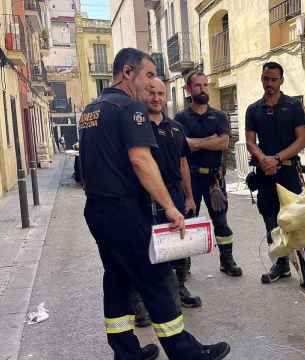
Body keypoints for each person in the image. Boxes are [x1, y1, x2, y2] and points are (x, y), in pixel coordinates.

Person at [79, 48, 230, 360]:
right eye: (147, 75)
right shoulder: (129, 108)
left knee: (117, 278)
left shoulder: (91, 110)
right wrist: (171, 208)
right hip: (123, 211)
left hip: (97, 210)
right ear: (127, 73)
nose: (149, 84)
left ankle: (126, 352)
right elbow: (141, 160)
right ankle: (186, 353)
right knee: (156, 279)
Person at [130, 78, 202, 329]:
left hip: (175, 194)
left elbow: (183, 164)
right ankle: (140, 304)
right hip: (146, 195)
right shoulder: (136, 125)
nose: (156, 98)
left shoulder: (176, 128)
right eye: (151, 92)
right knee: (145, 250)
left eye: (161, 93)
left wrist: (190, 197)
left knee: (178, 246)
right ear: (143, 94)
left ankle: (179, 288)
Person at [245, 62, 305, 294]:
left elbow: (302, 140)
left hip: (288, 172)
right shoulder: (253, 109)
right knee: (271, 222)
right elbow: (250, 142)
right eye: (266, 79)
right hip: (265, 174)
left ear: (281, 81)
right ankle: (281, 265)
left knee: (298, 221)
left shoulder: (294, 106)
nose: (269, 83)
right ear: (262, 79)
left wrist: (276, 158)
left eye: (273, 79)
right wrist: (262, 158)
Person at [175, 71, 243, 277]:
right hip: (190, 179)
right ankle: (183, 266)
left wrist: (194, 143)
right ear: (189, 89)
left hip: (214, 179)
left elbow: (223, 143)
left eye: (205, 85)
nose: (203, 89)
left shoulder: (219, 116)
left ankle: (227, 260)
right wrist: (209, 141)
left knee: (221, 221)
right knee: (187, 221)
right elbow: (181, 146)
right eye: (198, 86)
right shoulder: (181, 118)